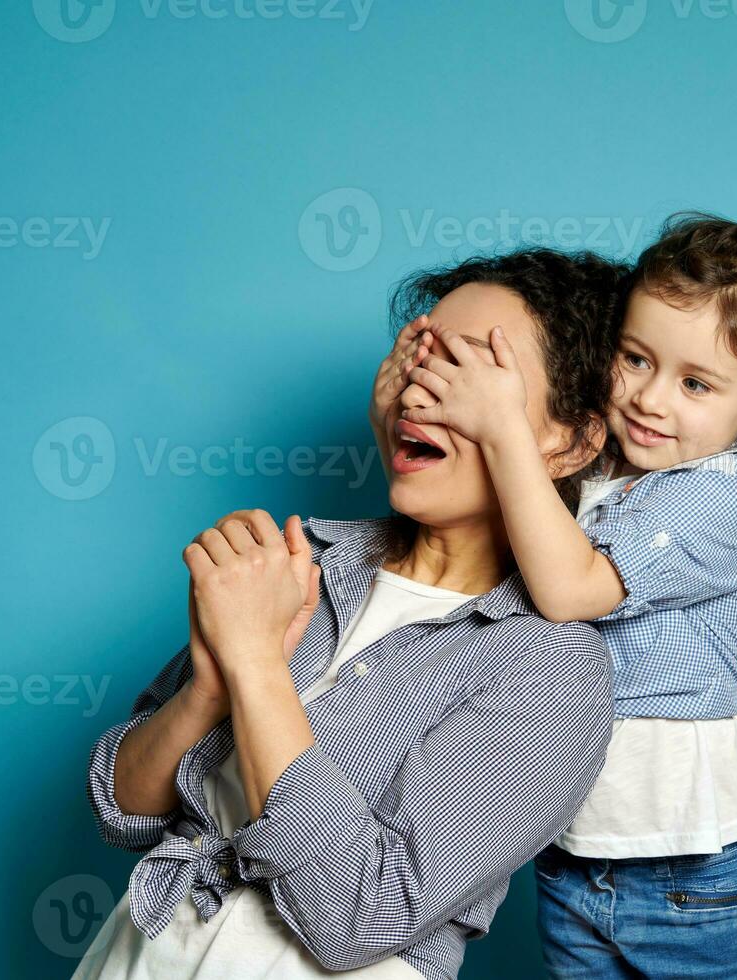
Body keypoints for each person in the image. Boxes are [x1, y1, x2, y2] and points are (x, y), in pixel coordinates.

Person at [75, 249, 628, 980]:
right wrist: (209, 686)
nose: (422, 392)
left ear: (571, 440)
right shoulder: (302, 561)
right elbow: (124, 811)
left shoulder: (552, 666)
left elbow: (360, 915)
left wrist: (254, 664)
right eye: (419, 358)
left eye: (470, 372)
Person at [397, 190, 737, 978]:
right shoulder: (599, 465)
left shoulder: (718, 492)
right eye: (635, 358)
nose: (648, 398)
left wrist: (503, 428)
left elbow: (567, 590)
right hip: (575, 841)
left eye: (696, 384)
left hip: (682, 858)